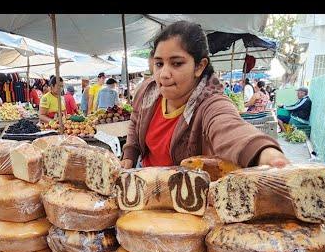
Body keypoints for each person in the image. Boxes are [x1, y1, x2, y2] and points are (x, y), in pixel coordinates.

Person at [121, 21, 288, 170]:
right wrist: (129, 155)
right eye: (159, 64)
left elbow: (228, 128)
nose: (163, 74)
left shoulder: (210, 103)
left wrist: (263, 152)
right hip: (145, 189)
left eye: (177, 63)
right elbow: (136, 121)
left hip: (189, 198)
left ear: (199, 66)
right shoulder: (147, 91)